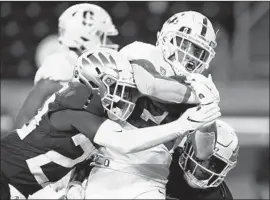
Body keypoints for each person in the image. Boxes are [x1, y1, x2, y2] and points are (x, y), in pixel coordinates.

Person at [1, 48, 220, 200]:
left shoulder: (88, 106)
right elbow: (124, 142)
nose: (124, 96)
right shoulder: (75, 108)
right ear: (94, 85)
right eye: (117, 88)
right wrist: (183, 124)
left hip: (19, 183)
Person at [14, 3, 119, 129]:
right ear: (84, 39)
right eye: (104, 37)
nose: (110, 43)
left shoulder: (95, 68)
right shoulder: (63, 67)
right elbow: (25, 117)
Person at [166, 120, 239, 200]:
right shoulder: (164, 163)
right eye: (201, 159)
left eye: (214, 164)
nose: (204, 168)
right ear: (187, 148)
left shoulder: (218, 197)